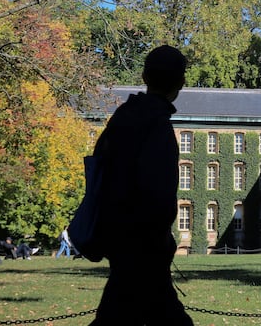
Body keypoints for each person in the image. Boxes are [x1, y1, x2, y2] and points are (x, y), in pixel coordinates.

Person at [90, 45, 193, 325]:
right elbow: (158, 195)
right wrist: (159, 241)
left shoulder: (124, 118)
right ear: (180, 83)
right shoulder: (157, 126)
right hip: (144, 249)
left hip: (120, 241)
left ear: (145, 76)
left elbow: (97, 170)